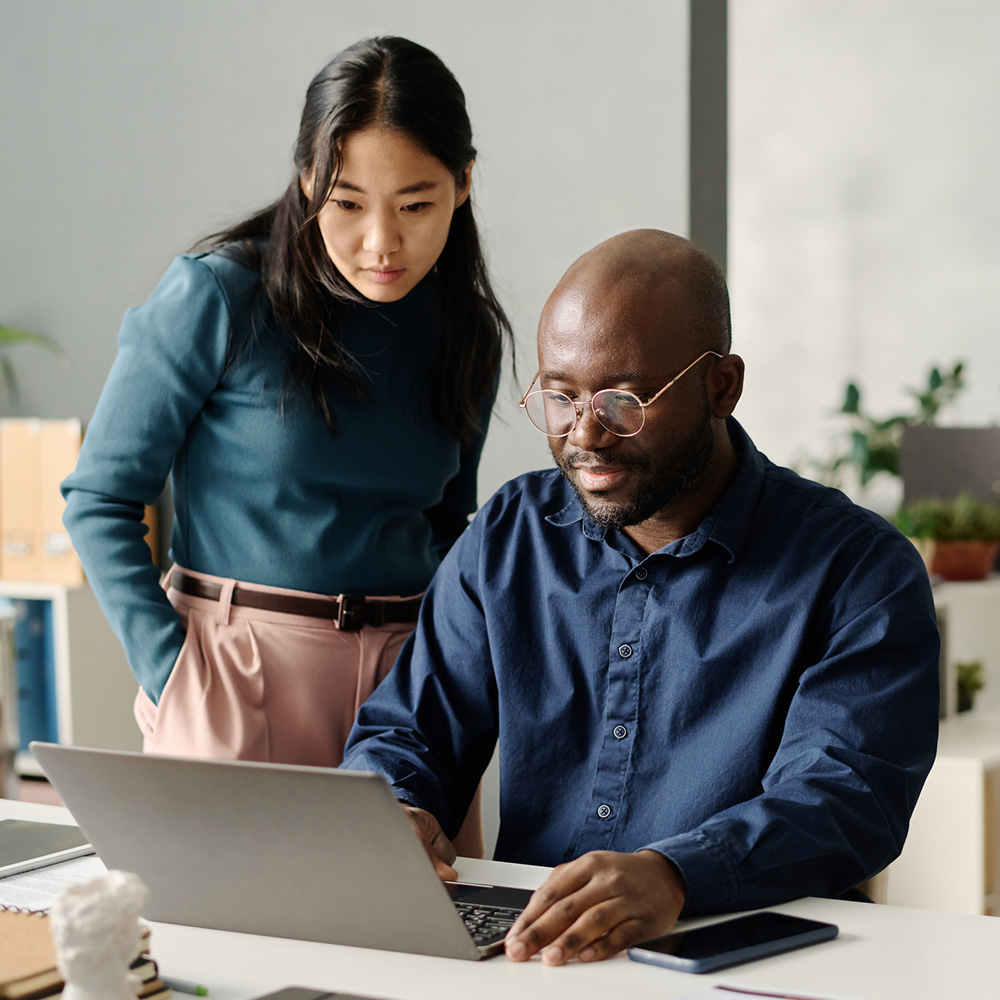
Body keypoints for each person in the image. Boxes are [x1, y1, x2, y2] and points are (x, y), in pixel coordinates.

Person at [341, 229, 941, 964]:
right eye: (560, 395)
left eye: (624, 399)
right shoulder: (510, 533)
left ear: (721, 385)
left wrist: (676, 875)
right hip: (541, 962)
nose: (585, 433)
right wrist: (395, 808)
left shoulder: (858, 570)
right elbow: (408, 730)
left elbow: (845, 798)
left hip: (752, 962)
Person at [61, 36, 510, 853]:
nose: (383, 242)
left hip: (408, 695)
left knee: (421, 949)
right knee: (227, 952)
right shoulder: (219, 295)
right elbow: (99, 498)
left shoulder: (465, 331)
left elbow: (450, 524)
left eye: (416, 205)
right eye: (347, 202)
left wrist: (444, 673)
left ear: (464, 184)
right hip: (236, 675)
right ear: (306, 179)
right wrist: (175, 673)